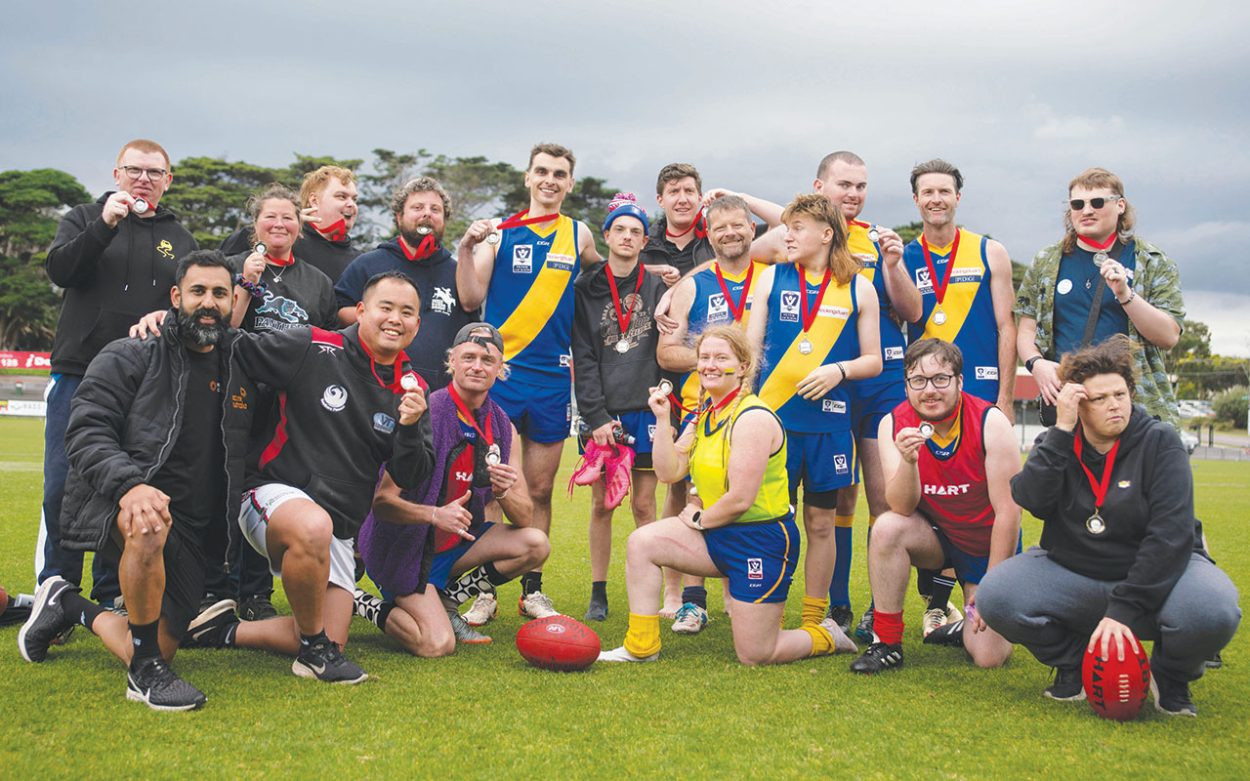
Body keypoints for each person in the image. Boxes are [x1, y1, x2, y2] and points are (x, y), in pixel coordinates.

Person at [180, 270, 435, 685]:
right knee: (313, 526)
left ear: (418, 324)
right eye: (385, 308)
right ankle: (314, 656)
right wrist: (168, 324)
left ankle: (221, 630)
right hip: (270, 496)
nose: (395, 319)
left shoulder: (413, 387)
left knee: (327, 635)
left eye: (407, 312)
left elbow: (412, 473)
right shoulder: (312, 344)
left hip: (338, 528)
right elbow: (235, 347)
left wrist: (410, 426)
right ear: (361, 311)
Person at [18, 252, 247, 710]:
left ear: (232, 301)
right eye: (198, 291)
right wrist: (129, 486)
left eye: (220, 294)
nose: (209, 303)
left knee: (158, 643)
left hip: (195, 531)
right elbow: (85, 431)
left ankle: (68, 604)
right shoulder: (130, 353)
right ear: (176, 297)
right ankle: (144, 676)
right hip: (124, 504)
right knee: (148, 521)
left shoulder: (242, 361)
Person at [976, 336, 1240, 716]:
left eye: (1120, 393)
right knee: (997, 595)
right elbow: (1030, 498)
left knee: (1212, 609)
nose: (1114, 404)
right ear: (1078, 404)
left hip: (1158, 575)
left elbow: (1170, 537)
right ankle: (1075, 665)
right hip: (1078, 572)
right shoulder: (1059, 442)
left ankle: (1170, 676)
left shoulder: (1160, 441)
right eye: (1099, 399)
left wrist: (1124, 610)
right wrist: (1062, 432)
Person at [598, 326, 856, 664]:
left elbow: (740, 499)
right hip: (717, 535)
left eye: (721, 358)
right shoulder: (703, 414)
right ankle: (641, 647)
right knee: (641, 542)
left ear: (744, 366)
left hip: (760, 539)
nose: (709, 365)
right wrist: (662, 420)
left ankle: (826, 634)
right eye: (704, 357)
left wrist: (699, 518)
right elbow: (668, 472)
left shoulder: (752, 417)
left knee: (757, 654)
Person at [38, 139, 198, 609]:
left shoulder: (180, 238)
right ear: (116, 174)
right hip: (78, 369)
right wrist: (106, 224)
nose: (144, 179)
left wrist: (169, 320)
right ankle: (58, 588)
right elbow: (60, 270)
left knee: (127, 482)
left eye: (155, 172)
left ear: (168, 181)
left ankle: (111, 592)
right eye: (135, 170)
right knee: (61, 482)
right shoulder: (85, 218)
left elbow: (189, 301)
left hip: (144, 380)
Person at [454, 143, 602, 619]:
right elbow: (471, 295)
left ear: (570, 183)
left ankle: (532, 589)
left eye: (560, 174)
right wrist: (466, 248)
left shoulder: (578, 235)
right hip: (503, 378)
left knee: (538, 489)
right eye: (542, 171)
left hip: (554, 380)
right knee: (494, 485)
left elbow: (608, 276)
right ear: (527, 177)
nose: (550, 180)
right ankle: (485, 592)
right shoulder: (500, 233)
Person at [354, 324, 549, 650]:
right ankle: (356, 599)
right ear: (452, 362)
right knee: (435, 643)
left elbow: (526, 515)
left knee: (535, 544)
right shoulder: (426, 412)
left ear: (500, 369)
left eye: (488, 360)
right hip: (404, 547)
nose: (477, 366)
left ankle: (445, 600)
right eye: (468, 357)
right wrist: (433, 515)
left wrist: (502, 492)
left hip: (450, 546)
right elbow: (382, 502)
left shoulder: (501, 423)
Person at [747, 193, 881, 631]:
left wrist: (838, 371)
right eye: (787, 226)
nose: (787, 234)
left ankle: (814, 617)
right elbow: (749, 353)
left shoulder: (859, 285)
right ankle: (770, 609)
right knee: (774, 523)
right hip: (774, 427)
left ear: (826, 234)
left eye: (797, 227)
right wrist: (741, 413)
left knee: (821, 524)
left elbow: (874, 361)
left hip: (828, 428)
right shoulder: (770, 279)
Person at [849, 339, 1020, 674]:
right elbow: (900, 505)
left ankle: (959, 627)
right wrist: (909, 462)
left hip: (986, 546)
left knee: (988, 656)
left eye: (940, 379)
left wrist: (992, 585)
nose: (929, 390)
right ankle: (886, 642)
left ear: (959, 381)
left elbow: (1009, 512)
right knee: (886, 527)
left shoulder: (990, 421)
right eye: (918, 381)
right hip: (938, 540)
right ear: (907, 385)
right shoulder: (893, 424)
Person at [900, 159, 1017, 633]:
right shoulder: (905, 257)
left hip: (982, 392)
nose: (935, 199)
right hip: (928, 395)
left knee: (986, 499)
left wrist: (1006, 400)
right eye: (927, 192)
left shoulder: (991, 252)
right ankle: (936, 603)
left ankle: (996, 591)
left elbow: (1007, 326)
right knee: (929, 500)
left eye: (944, 191)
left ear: (957, 197)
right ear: (916, 200)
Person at [656, 193, 767, 631]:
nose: (730, 233)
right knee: (681, 493)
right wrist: (715, 359)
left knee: (741, 495)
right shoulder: (692, 286)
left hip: (756, 411)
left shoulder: (775, 277)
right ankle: (678, 592)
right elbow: (666, 352)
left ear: (752, 228)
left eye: (738, 224)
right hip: (700, 407)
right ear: (709, 233)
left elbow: (797, 225)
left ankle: (731, 590)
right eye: (719, 227)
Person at [1015, 168, 1184, 428]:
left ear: (1120, 205)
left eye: (1097, 202)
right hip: (1070, 403)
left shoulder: (1151, 260)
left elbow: (1169, 336)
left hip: (1132, 404)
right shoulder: (1046, 261)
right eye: (1077, 204)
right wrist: (1036, 364)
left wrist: (1125, 295)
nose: (1087, 210)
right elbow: (1025, 329)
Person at [572, 196, 671, 622]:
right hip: (605, 414)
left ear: (644, 240)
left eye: (636, 231)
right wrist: (595, 417)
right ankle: (598, 590)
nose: (627, 237)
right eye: (620, 230)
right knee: (601, 504)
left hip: (646, 409)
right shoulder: (587, 288)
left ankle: (645, 586)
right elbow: (584, 356)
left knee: (644, 505)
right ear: (607, 235)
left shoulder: (660, 285)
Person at [335, 177, 479, 392]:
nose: (427, 214)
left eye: (435, 209)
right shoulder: (369, 263)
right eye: (417, 207)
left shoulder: (457, 272)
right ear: (399, 217)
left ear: (444, 219)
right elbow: (338, 312)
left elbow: (470, 330)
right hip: (372, 387)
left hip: (438, 395)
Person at [220, 166, 360, 283]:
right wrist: (288, 221)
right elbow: (218, 268)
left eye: (354, 199)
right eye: (341, 196)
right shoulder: (284, 238)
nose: (351, 204)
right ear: (314, 200)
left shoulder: (360, 261)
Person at [639, 163, 715, 276]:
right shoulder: (642, 247)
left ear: (700, 198)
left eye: (689, 191)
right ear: (660, 200)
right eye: (674, 192)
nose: (682, 200)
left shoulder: (718, 240)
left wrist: (739, 197)